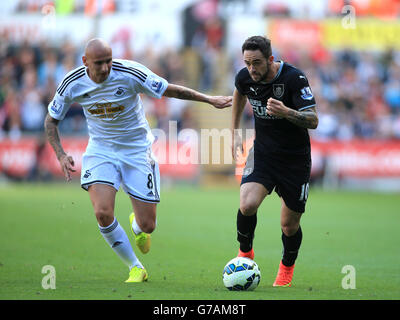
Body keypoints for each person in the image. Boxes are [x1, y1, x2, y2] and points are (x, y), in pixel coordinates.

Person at [44, 38, 232, 283]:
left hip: (136, 150)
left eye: (108, 61)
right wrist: (60, 154)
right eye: (98, 63)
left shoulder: (129, 73)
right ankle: (135, 267)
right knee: (102, 212)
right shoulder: (72, 82)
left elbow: (170, 89)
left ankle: (137, 226)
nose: (105, 68)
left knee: (148, 225)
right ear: (85, 62)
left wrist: (208, 100)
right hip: (101, 150)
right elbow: (51, 120)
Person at [231, 36, 318, 287]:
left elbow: (313, 120)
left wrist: (286, 112)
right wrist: (235, 132)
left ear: (270, 59)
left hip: (295, 160)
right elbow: (239, 93)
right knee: (247, 205)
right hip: (264, 154)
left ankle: (286, 269)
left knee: (289, 226)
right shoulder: (245, 77)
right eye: (247, 63)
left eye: (256, 63)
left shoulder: (294, 78)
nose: (251, 69)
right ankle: (245, 252)